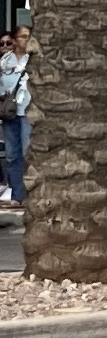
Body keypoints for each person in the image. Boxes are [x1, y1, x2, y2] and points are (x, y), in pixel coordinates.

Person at [0, 26, 32, 204]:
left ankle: (30, 192)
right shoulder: (5, 61)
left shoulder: (34, 60)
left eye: (28, 37)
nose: (25, 40)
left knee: (28, 152)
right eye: (22, 37)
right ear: (14, 39)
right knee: (12, 155)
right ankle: (17, 194)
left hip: (27, 111)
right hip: (10, 113)